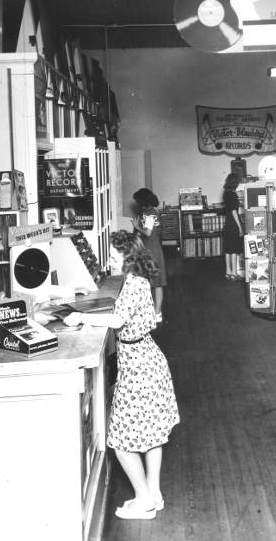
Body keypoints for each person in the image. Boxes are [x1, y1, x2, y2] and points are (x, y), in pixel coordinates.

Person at [85, 230, 179, 520]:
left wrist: (81, 317)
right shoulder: (138, 281)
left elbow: (118, 319)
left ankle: (143, 500)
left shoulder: (133, 285)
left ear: (129, 257)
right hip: (148, 362)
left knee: (121, 440)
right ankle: (154, 494)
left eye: (115, 256)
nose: (111, 260)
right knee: (152, 435)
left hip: (139, 367)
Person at [132, 187, 166, 322]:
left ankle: (157, 312)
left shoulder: (150, 214)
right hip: (154, 248)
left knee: (154, 283)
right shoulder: (153, 211)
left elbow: (148, 232)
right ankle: (155, 312)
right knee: (156, 283)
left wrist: (136, 226)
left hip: (151, 250)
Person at [222, 173, 244, 280]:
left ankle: (228, 272)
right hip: (233, 223)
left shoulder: (226, 193)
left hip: (227, 223)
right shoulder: (233, 195)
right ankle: (235, 273)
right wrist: (239, 226)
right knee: (234, 249)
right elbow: (234, 211)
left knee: (228, 249)